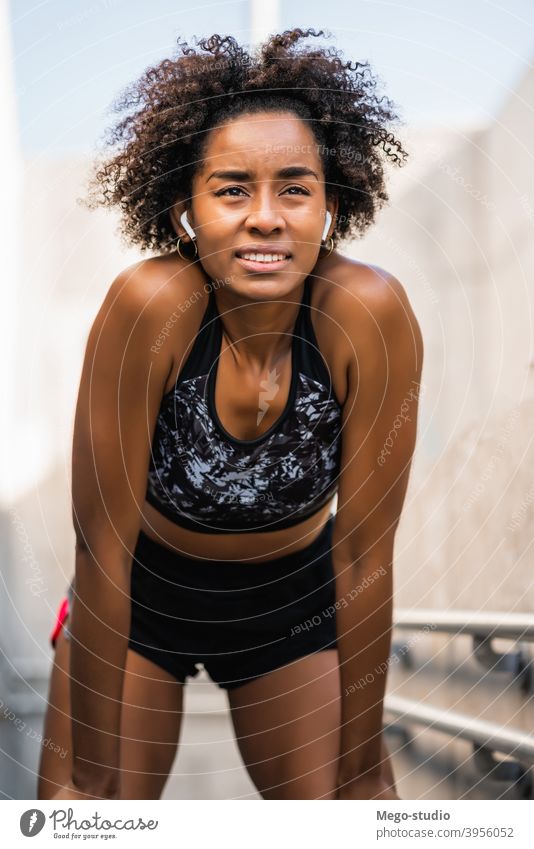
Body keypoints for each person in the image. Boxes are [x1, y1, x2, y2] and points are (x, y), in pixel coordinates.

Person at [37, 28, 423, 801]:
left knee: (354, 813)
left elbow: (365, 556)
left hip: (292, 598)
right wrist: (92, 787)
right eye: (232, 189)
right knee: (87, 808)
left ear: (331, 206)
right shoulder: (149, 308)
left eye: (294, 188)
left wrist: (359, 772)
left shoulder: (370, 313)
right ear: (185, 211)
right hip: (141, 591)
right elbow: (101, 548)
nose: (266, 217)